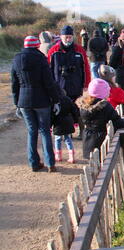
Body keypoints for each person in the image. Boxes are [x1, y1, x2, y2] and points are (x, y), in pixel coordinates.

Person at [11, 36, 60, 172]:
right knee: (45, 131)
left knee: (32, 131)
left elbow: (14, 84)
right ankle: (50, 163)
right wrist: (55, 100)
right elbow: (49, 83)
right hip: (42, 100)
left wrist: (17, 104)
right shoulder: (41, 59)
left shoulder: (16, 59)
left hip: (24, 101)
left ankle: (34, 163)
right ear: (37, 46)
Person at [47, 25, 91, 139]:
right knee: (62, 110)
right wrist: (50, 88)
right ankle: (66, 133)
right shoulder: (53, 51)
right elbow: (48, 71)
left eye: (70, 37)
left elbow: (86, 69)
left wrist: (86, 85)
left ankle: (82, 131)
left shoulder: (79, 50)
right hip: (60, 87)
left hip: (76, 86)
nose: (68, 39)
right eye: (66, 37)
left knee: (79, 109)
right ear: (61, 37)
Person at [76, 79, 124, 159]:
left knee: (95, 166)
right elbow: (117, 122)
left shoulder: (83, 107)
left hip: (88, 140)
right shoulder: (105, 107)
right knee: (104, 165)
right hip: (102, 140)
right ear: (103, 93)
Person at [52, 89, 80, 164]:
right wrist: (75, 121)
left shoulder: (55, 101)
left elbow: (52, 114)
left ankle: (58, 156)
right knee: (68, 139)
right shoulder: (68, 100)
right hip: (68, 121)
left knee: (57, 139)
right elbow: (74, 111)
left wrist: (50, 124)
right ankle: (71, 156)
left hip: (58, 123)